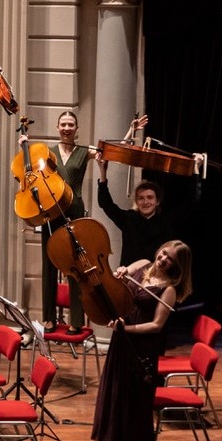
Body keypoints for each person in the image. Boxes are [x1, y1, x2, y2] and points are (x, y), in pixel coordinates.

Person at [29, 112, 141, 332]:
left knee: (76, 267)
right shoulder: (48, 153)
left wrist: (131, 131)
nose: (67, 128)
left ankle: (76, 321)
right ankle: (49, 318)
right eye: (63, 124)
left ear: (77, 128)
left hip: (74, 211)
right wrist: (24, 143)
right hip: (51, 213)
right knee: (50, 264)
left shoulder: (83, 151)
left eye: (71, 125)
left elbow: (112, 150)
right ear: (57, 127)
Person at [92, 240, 193, 441]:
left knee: (136, 400)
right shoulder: (142, 265)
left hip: (141, 346)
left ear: (177, 266)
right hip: (122, 340)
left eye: (170, 259)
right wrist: (120, 272)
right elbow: (122, 274)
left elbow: (156, 326)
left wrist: (125, 329)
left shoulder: (168, 290)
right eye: (164, 252)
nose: (163, 258)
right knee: (116, 393)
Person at [96, 128, 202, 266]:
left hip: (157, 279)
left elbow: (192, 201)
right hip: (129, 278)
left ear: (157, 201)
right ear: (136, 201)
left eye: (150, 197)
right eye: (141, 198)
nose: (145, 202)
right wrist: (102, 171)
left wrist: (196, 170)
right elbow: (105, 203)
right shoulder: (129, 219)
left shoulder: (167, 221)